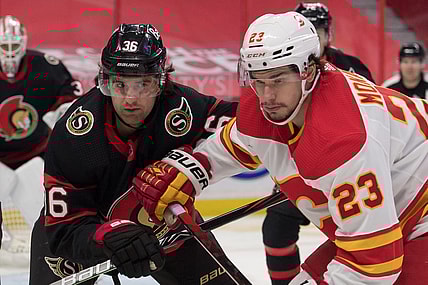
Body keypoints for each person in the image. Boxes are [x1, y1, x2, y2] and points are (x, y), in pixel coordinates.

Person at [135, 12, 428, 285]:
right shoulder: (261, 104)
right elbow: (233, 146)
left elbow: (373, 266)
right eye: (258, 81)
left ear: (309, 71)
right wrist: (189, 169)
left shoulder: (343, 138)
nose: (267, 96)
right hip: (395, 208)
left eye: (278, 80)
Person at [31, 23, 240, 285]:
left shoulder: (183, 108)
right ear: (104, 81)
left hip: (166, 226)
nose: (131, 98)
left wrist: (190, 160)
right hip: (85, 235)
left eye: (144, 84)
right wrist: (108, 234)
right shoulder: (74, 134)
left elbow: (250, 127)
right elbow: (64, 229)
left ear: (162, 82)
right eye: (120, 84)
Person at [256, 3, 377, 284]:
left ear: (328, 33)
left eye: (320, 30)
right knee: (276, 227)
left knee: (362, 241)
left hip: (351, 173)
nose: (316, 38)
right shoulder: (278, 69)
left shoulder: (353, 68)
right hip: (302, 172)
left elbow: (373, 123)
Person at [0, 14, 82, 259]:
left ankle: (59, 256)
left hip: (36, 154)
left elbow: (74, 100)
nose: (10, 53)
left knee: (45, 214)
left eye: (15, 46)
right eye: (5, 47)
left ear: (24, 44)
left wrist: (56, 120)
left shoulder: (46, 66)